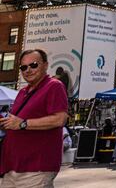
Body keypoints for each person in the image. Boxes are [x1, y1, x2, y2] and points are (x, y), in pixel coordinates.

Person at [0, 49, 68, 187]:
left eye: (34, 65)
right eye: (23, 67)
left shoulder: (54, 86)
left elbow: (60, 119)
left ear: (45, 65)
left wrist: (23, 124)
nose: (28, 70)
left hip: (36, 167)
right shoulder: (23, 92)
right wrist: (6, 124)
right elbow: (17, 124)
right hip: (13, 167)